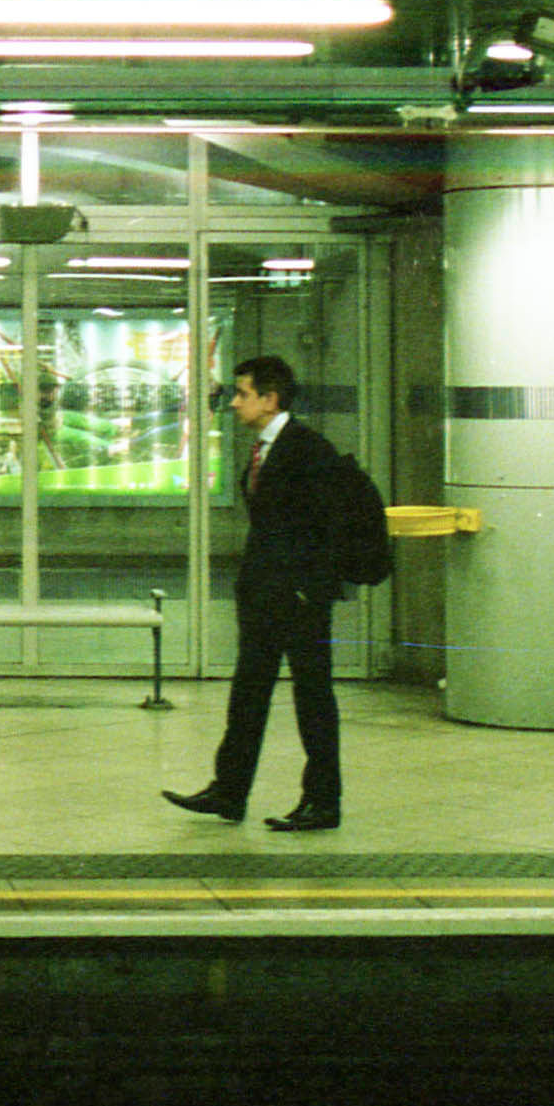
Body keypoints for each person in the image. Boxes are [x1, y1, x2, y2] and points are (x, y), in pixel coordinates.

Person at [165, 354, 375, 832]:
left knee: (313, 700)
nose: (235, 402)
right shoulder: (267, 447)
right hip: (265, 596)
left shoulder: (306, 450)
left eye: (242, 393)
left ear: (269, 398)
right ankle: (229, 790)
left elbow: (329, 527)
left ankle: (322, 801)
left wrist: (308, 588)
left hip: (298, 599)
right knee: (248, 695)